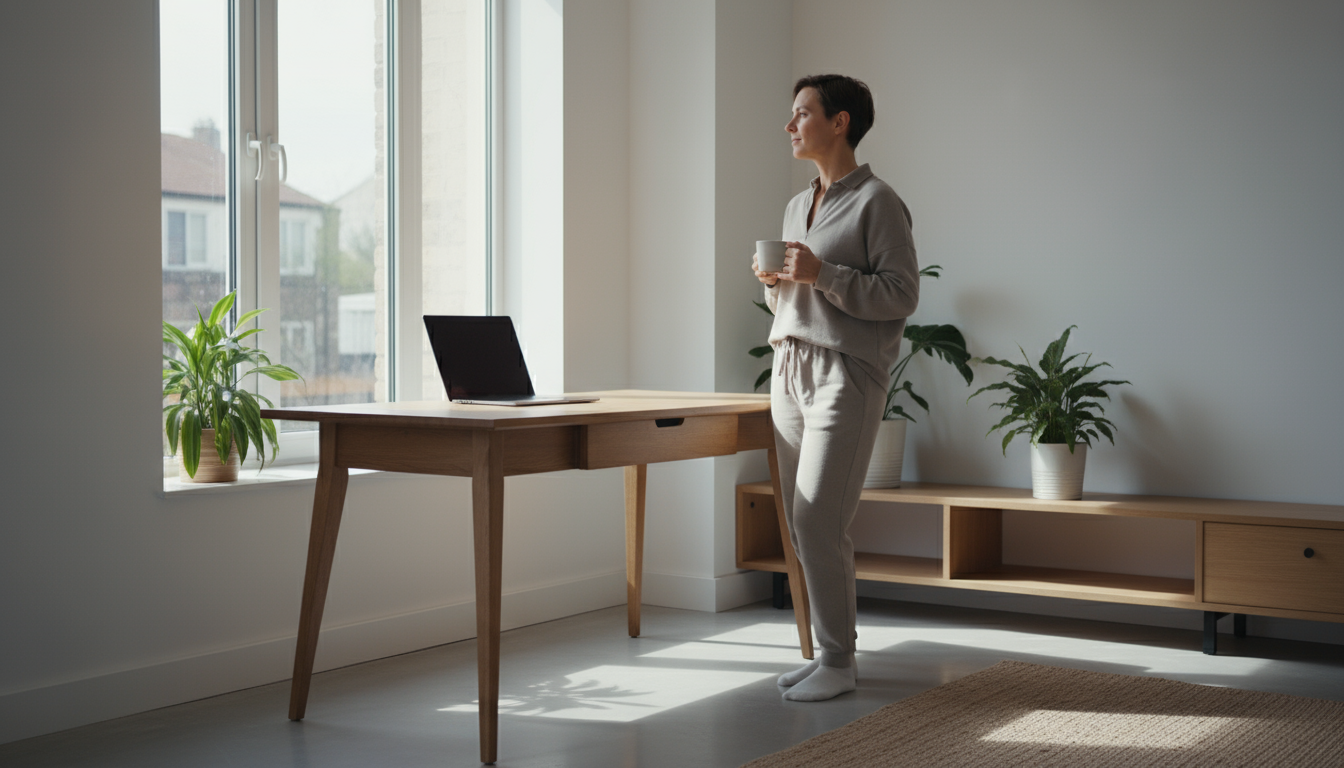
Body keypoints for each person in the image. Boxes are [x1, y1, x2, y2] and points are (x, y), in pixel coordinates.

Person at [752, 74, 920, 702]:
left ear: (840, 121)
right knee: (803, 526)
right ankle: (828, 652)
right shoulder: (799, 205)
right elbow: (794, 299)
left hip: (845, 374)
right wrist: (775, 282)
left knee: (818, 518)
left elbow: (902, 294)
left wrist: (824, 273)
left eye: (802, 113)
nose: (790, 124)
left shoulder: (878, 201)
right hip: (789, 368)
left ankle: (839, 663)